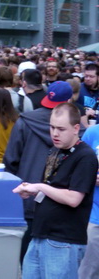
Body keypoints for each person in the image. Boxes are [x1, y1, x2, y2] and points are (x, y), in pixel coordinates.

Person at [15, 103, 97, 279]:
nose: (55, 133)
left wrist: (40, 187)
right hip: (39, 234)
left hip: (63, 240)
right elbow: (54, 188)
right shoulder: (56, 150)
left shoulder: (85, 156)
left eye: (61, 129)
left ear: (76, 128)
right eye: (52, 127)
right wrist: (32, 191)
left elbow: (74, 198)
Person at [5, 79, 76, 260]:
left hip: (28, 198)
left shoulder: (24, 121)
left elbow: (10, 160)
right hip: (61, 203)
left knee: (27, 258)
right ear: (69, 101)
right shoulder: (76, 131)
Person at [77, 111, 99, 279]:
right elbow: (77, 164)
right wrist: (91, 175)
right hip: (94, 214)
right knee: (87, 271)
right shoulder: (93, 133)